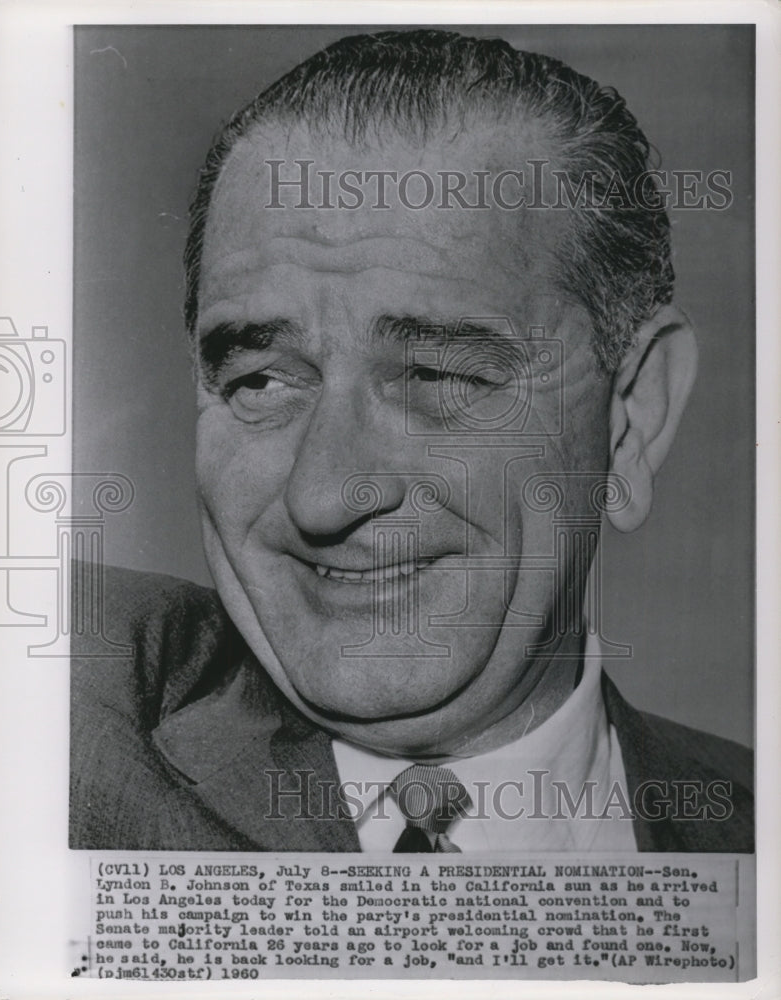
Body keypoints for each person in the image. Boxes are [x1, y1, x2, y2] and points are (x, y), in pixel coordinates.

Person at [70, 29, 753, 852]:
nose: (320, 497)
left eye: (435, 376)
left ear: (632, 414)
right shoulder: (73, 721)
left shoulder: (755, 846)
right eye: (260, 381)